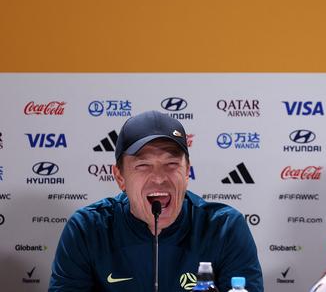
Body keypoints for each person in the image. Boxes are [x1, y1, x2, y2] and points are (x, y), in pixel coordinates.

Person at [49, 110, 264, 291]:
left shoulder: (224, 227)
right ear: (120, 177)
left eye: (171, 164)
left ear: (187, 172)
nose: (160, 178)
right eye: (143, 165)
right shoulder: (87, 229)